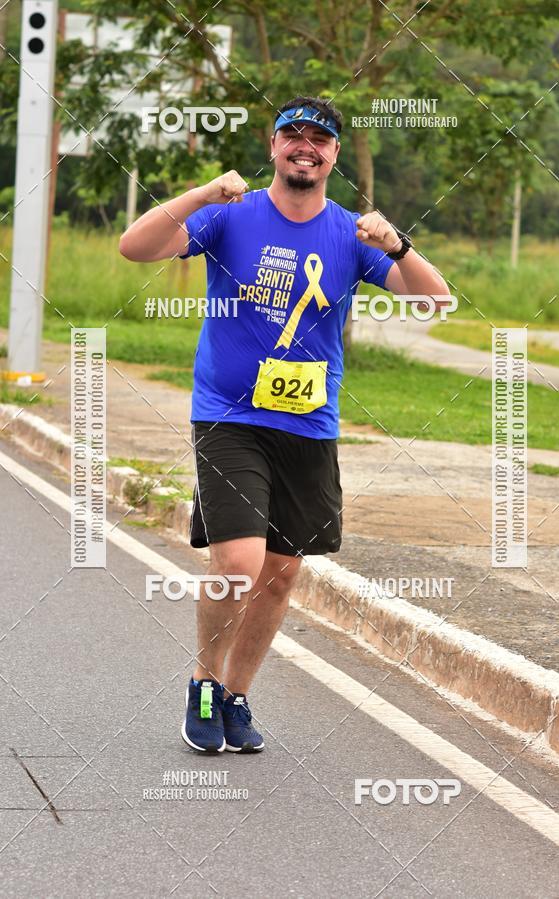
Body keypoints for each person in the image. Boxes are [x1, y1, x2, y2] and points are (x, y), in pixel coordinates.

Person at [120, 95, 450, 754]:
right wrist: (202, 192)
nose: (306, 147)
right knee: (238, 564)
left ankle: (238, 694)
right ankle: (205, 683)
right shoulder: (230, 214)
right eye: (292, 136)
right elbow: (135, 247)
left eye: (319, 139)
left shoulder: (352, 233)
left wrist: (399, 244)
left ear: (332, 155)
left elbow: (436, 301)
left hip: (308, 424)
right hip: (229, 416)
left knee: (280, 573)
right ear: (273, 147)